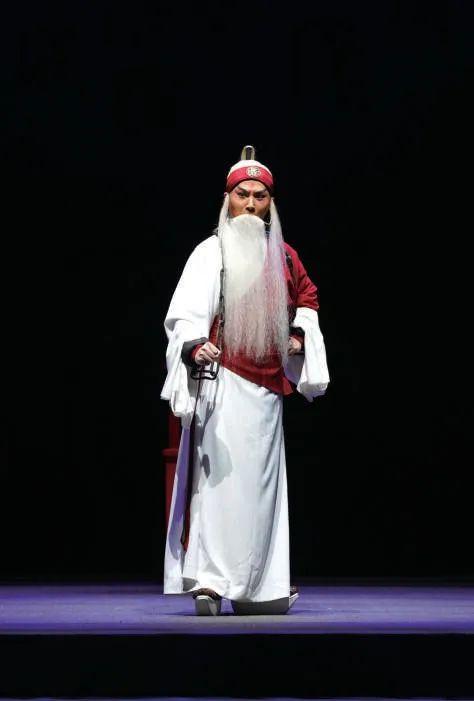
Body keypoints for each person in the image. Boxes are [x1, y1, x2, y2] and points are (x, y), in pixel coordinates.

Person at [161, 146, 329, 615]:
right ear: (227, 199)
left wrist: (298, 336)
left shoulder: (285, 258)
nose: (251, 204)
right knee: (218, 489)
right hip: (222, 385)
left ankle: (261, 587)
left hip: (267, 392)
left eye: (259, 196)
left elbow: (308, 299)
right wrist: (195, 345)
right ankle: (212, 583)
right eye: (242, 195)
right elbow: (184, 315)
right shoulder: (210, 252)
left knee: (262, 491)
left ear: (270, 203)